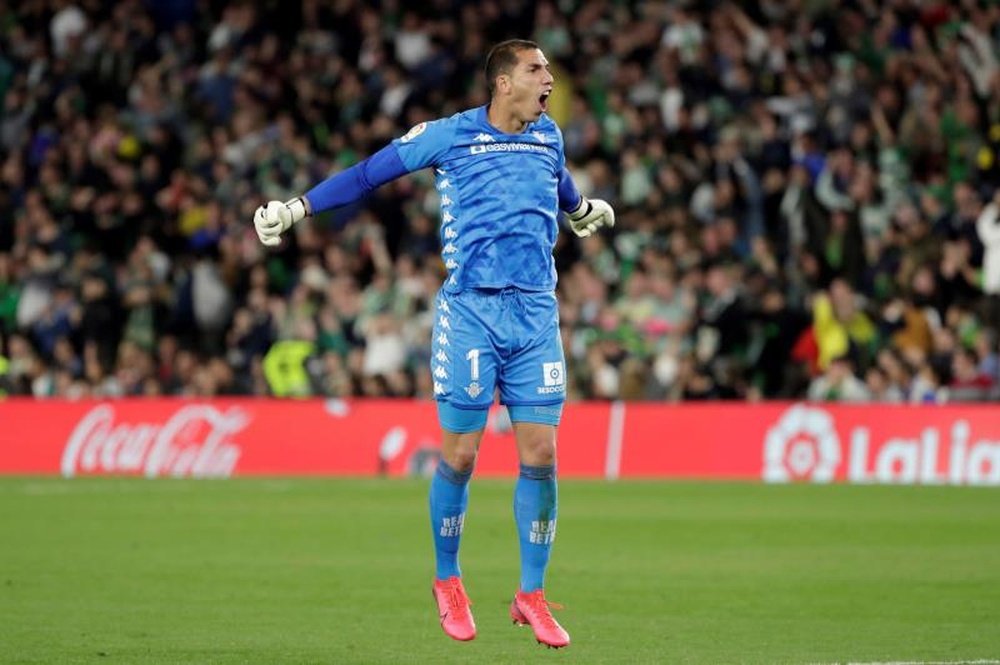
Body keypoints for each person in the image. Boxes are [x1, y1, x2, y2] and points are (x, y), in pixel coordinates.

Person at [252, 39, 614, 648]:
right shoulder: (448, 136)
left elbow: (559, 186)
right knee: (463, 455)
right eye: (536, 69)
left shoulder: (548, 137)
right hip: (471, 312)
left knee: (543, 454)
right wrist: (297, 208)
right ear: (503, 83)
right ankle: (447, 579)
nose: (549, 79)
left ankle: (531, 595)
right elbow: (370, 173)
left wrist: (580, 211)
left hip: (535, 315)